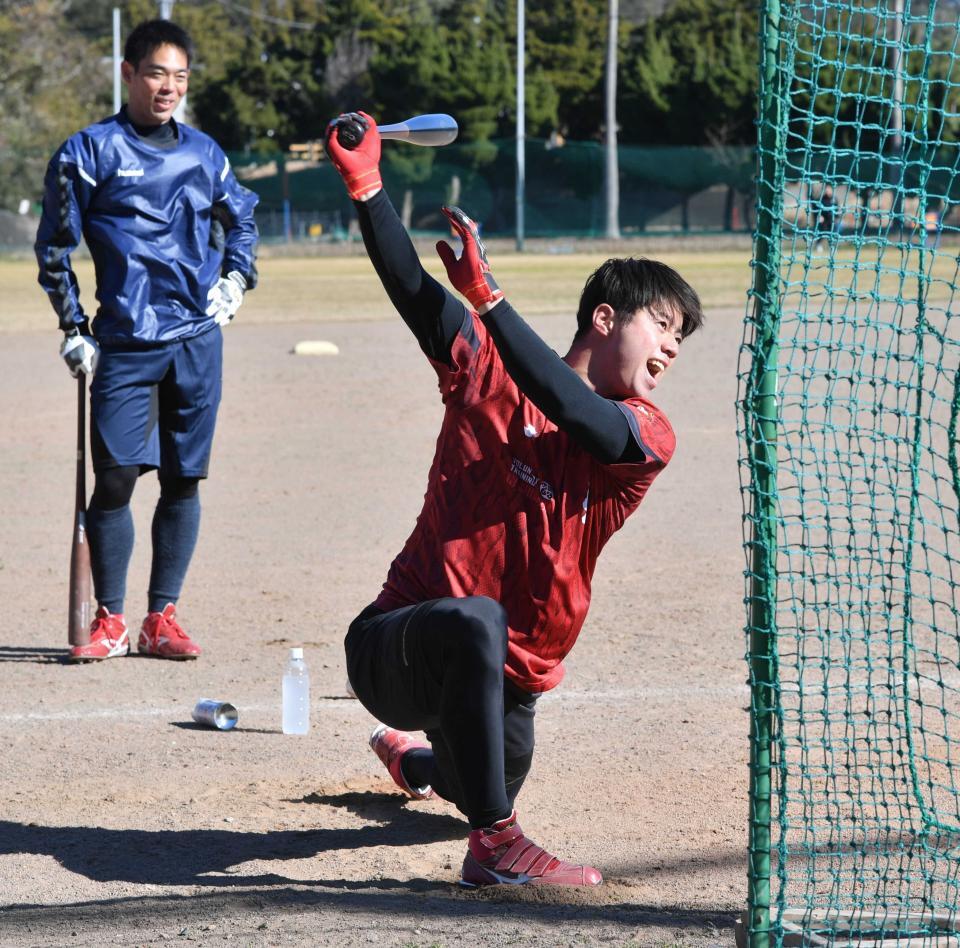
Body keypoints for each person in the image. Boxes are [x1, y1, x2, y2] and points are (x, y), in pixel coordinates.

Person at [325, 112, 704, 888]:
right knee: (475, 619)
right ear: (605, 317)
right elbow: (412, 288)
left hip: (513, 683)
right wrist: (367, 186)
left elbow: (577, 414)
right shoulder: (481, 366)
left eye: (680, 339)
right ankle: (495, 846)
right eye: (662, 326)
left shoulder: (644, 434)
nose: (671, 348)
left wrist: (494, 301)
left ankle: (419, 759)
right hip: (396, 646)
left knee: (480, 777)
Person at [35, 19, 259, 663]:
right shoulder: (86, 152)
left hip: (195, 338)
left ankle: (163, 616)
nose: (169, 87)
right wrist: (73, 325)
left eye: (180, 76)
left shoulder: (204, 153)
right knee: (116, 479)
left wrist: (236, 277)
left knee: (185, 480)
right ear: (129, 73)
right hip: (125, 342)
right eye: (157, 73)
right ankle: (111, 619)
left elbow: (240, 215)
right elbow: (54, 247)